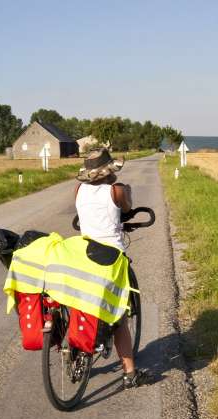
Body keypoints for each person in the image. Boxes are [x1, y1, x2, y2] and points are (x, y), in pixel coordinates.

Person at [74, 149, 149, 388]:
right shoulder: (115, 191)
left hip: (84, 253)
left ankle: (77, 352)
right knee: (119, 316)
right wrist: (121, 187)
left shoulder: (78, 190)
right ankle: (130, 373)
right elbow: (126, 208)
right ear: (109, 171)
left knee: (82, 302)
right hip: (111, 257)